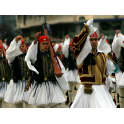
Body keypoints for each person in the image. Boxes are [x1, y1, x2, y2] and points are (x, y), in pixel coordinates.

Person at [71, 20, 116, 108]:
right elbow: (77, 43)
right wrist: (86, 28)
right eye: (91, 40)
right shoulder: (82, 55)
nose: (94, 41)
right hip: (87, 90)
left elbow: (108, 72)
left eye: (95, 39)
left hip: (101, 90)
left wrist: (111, 81)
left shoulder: (103, 55)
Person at [24, 32, 69, 108]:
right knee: (41, 106)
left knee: (55, 106)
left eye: (47, 44)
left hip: (52, 84)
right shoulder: (35, 56)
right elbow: (29, 55)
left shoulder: (52, 56)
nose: (45, 46)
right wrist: (35, 41)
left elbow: (61, 68)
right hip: (40, 85)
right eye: (43, 44)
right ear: (39, 45)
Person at [3, 35, 29, 108]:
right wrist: (15, 41)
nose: (23, 48)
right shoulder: (13, 57)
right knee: (17, 104)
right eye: (21, 46)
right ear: (17, 48)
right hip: (17, 82)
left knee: (29, 104)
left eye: (24, 46)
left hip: (28, 83)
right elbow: (9, 53)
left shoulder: (29, 56)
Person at [0, 42, 11, 107]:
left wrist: (3, 51)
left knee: (4, 102)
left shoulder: (4, 60)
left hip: (5, 82)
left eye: (0, 50)